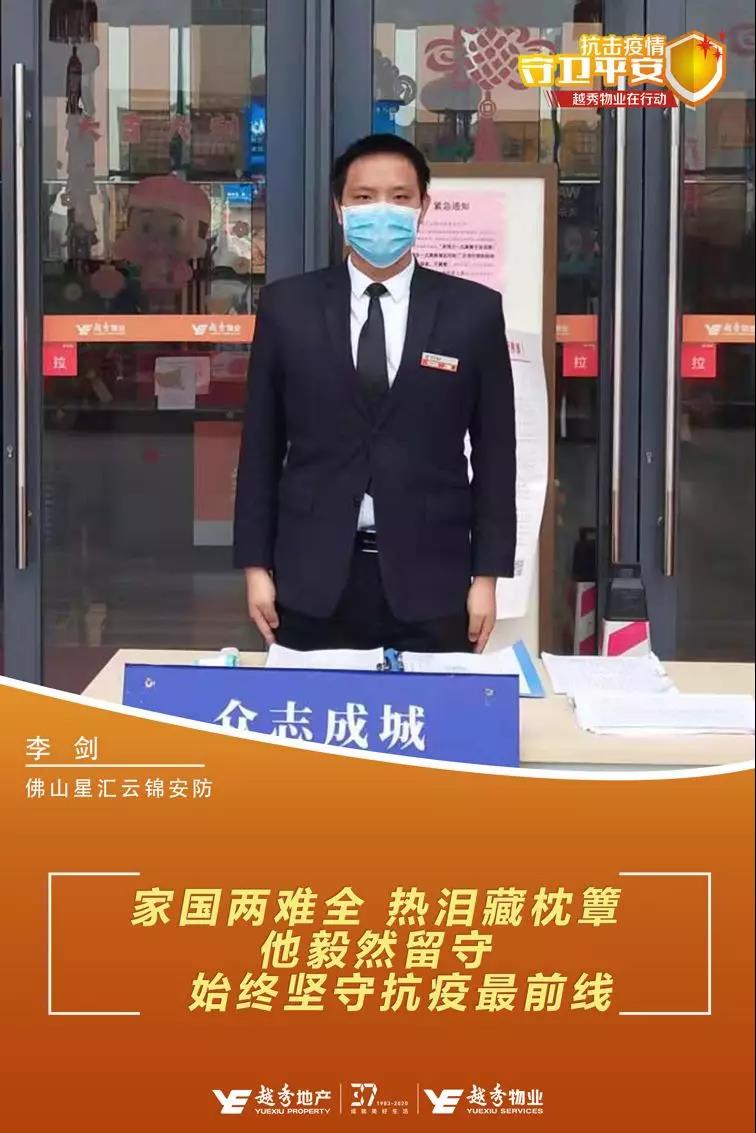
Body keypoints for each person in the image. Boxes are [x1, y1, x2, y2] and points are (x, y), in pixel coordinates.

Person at [233, 133, 516, 654]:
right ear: (339, 209)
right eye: (364, 197)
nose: (382, 210)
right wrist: (255, 567)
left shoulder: (472, 311)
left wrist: (486, 578)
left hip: (433, 580)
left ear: (423, 207)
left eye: (400, 197)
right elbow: (260, 446)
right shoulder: (287, 307)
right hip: (311, 578)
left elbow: (496, 455)